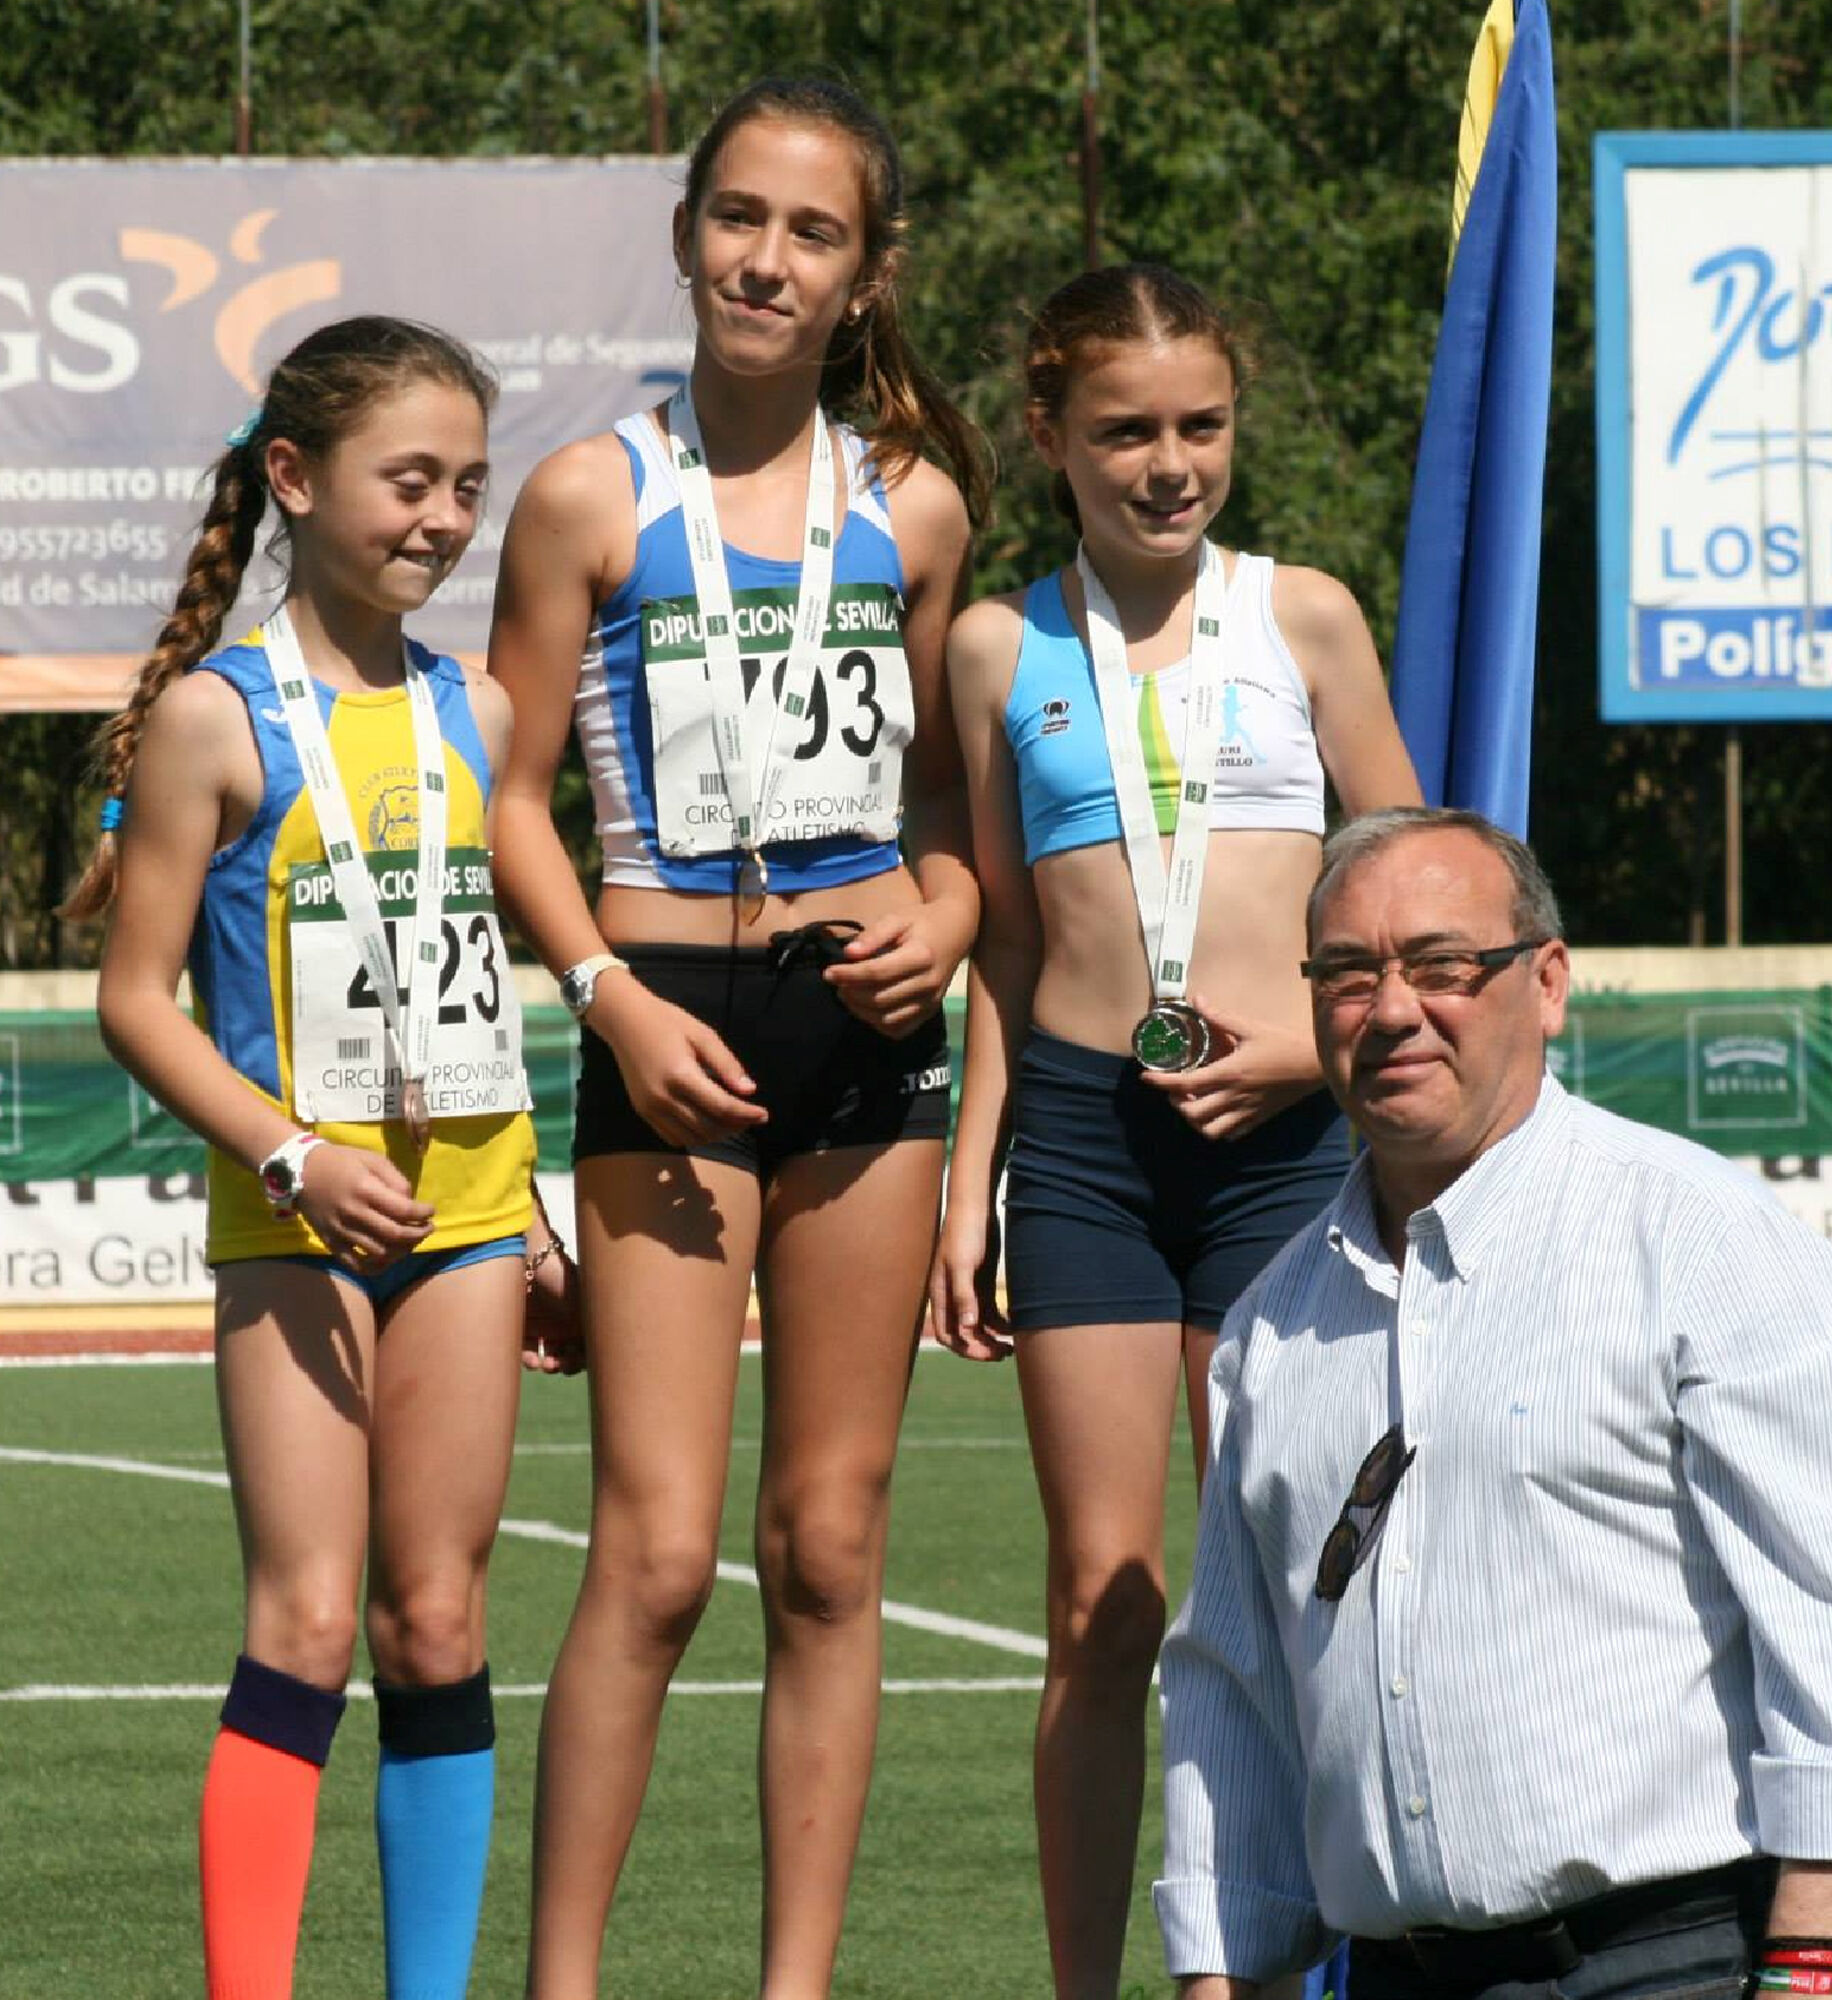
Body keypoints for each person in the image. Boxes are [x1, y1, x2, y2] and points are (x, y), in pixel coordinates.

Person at [484, 74, 987, 2000]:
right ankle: (566, 1983)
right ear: (688, 234)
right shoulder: (589, 496)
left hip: (868, 1026)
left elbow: (942, 806)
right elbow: (512, 796)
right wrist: (603, 994)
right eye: (739, 220)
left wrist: (948, 918)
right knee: (656, 1555)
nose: (767, 260)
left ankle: (797, 1986)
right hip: (664, 1019)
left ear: (869, 274)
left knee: (833, 1545)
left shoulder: (914, 506)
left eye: (813, 232)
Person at [1155, 806, 1832, 2000]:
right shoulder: (1269, 1327)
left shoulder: (1695, 1239)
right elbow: (1235, 1689)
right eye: (1348, 974)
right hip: (1395, 1974)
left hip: (1669, 1962)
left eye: (1441, 965)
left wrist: (1813, 1964)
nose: (1391, 1009)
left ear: (1547, 981)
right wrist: (1217, 1974)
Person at [930, 263, 1421, 1999]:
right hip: (1084, 1145)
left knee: (1286, 1588)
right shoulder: (996, 647)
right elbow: (1001, 941)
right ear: (1049, 434)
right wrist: (972, 1182)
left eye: (1200, 424)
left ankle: (1277, 1966)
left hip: (1285, 1149)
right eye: (1126, 429)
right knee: (1105, 1596)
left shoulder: (1306, 619)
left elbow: (1421, 897)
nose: (1169, 463)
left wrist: (1308, 1052)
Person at [69, 315, 559, 2000]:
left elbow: (469, 986)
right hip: (297, 1229)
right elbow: (135, 1004)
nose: (443, 518)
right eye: (409, 479)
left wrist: (531, 1218)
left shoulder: (479, 710)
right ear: (293, 476)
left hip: (471, 1222)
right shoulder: (214, 720)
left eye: (468, 487)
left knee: (440, 1621)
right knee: (304, 1619)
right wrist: (290, 1160)